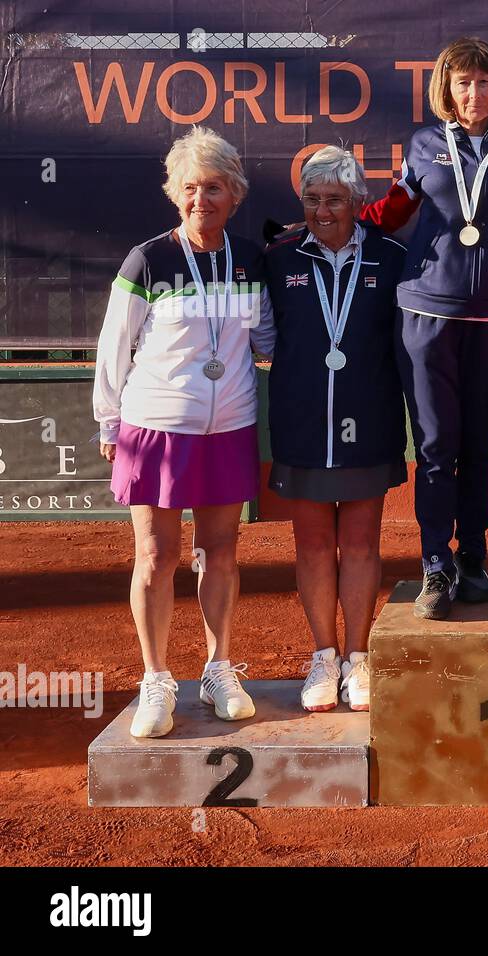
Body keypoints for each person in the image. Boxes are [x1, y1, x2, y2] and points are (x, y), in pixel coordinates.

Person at [93, 126, 274, 738]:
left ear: (236, 194)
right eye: (192, 188)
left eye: (216, 188)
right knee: (156, 554)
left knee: (220, 550)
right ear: (176, 194)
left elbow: (268, 339)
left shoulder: (251, 259)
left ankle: (219, 668)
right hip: (157, 425)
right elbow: (113, 348)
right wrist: (108, 421)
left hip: (230, 424)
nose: (204, 200)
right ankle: (156, 679)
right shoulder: (149, 259)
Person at [358, 37, 488, 619]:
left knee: (478, 447)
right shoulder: (425, 144)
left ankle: (475, 557)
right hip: (426, 314)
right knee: (434, 446)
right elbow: (395, 208)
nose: (474, 93)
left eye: (483, 82)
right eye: (463, 82)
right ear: (447, 90)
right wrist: (332, 226)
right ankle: (435, 563)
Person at [264, 146, 407, 712]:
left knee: (362, 540)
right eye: (313, 199)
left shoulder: (391, 258)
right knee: (314, 541)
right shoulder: (278, 260)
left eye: (335, 200)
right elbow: (260, 335)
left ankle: (359, 657)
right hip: (301, 416)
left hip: (368, 412)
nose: (323, 211)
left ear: (358, 204)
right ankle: (324, 656)